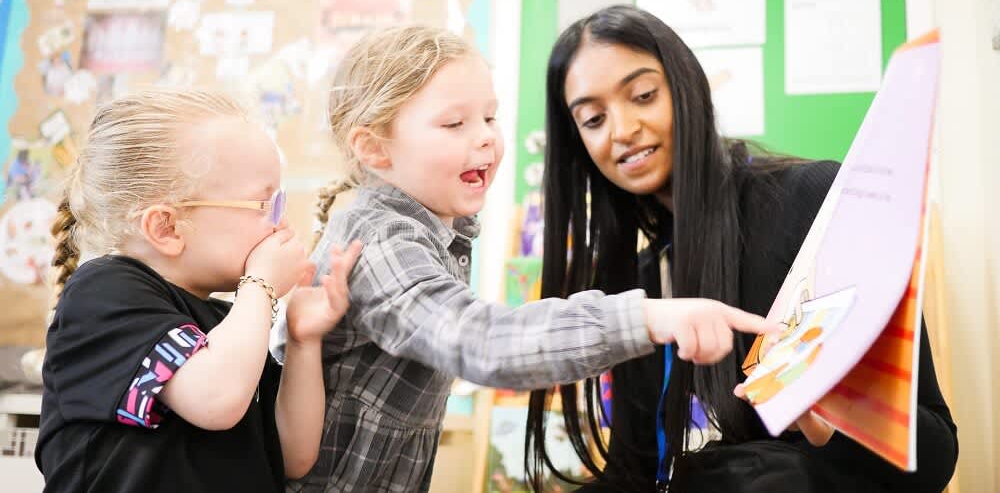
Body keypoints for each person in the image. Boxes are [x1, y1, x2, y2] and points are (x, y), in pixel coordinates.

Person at [270, 25, 778, 493]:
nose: (487, 136)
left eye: (490, 117)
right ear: (374, 148)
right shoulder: (379, 242)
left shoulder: (431, 232)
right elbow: (482, 341)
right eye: (455, 124)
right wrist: (650, 315)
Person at [526, 5, 959, 493]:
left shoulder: (814, 203)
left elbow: (935, 449)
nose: (622, 129)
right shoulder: (639, 281)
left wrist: (832, 417)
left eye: (643, 95)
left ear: (687, 87)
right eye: (593, 119)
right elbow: (637, 471)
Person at [35, 89, 361, 493]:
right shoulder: (103, 292)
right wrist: (260, 284)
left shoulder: (230, 324)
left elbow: (294, 454)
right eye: (265, 205)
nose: (281, 223)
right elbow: (215, 399)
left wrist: (303, 339)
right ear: (167, 228)